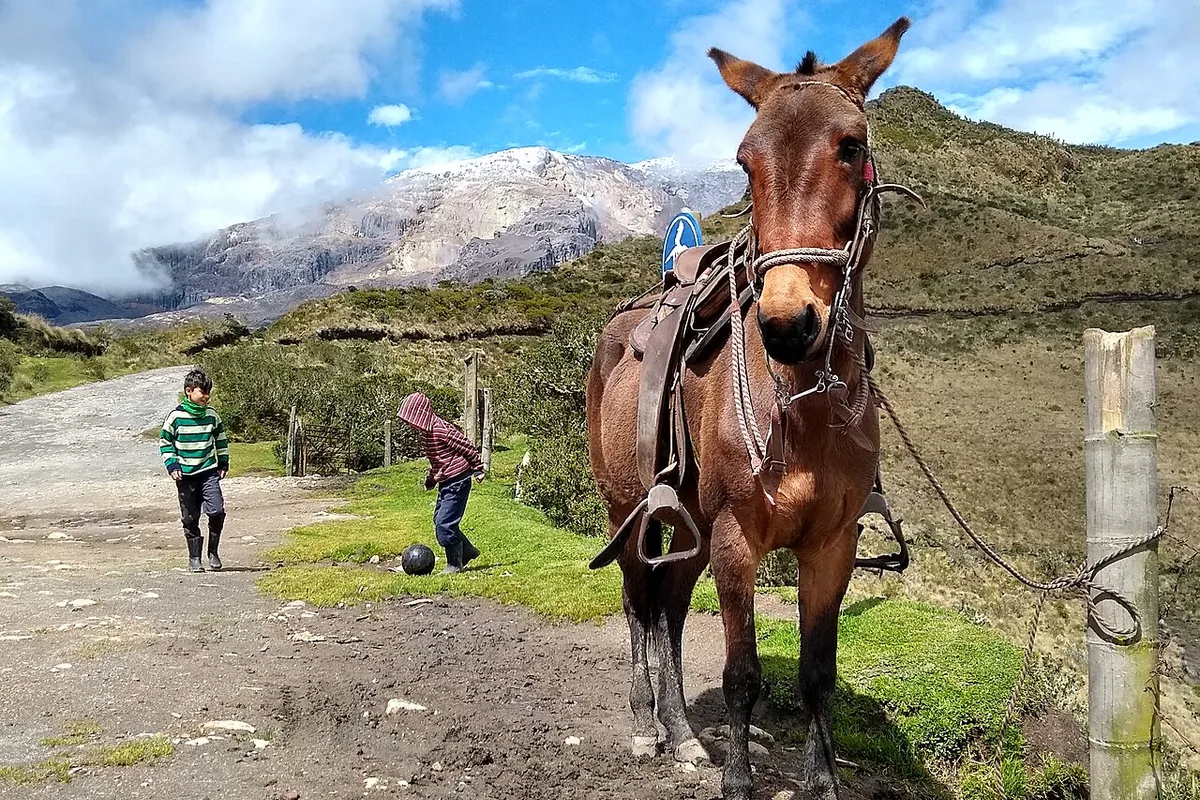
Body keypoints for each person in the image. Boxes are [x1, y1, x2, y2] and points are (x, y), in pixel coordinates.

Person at [396, 392, 483, 574]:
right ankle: (467, 551)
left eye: (412, 420)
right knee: (439, 520)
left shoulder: (441, 429)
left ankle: (454, 564)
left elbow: (466, 446)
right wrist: (431, 480)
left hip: (458, 480)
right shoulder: (426, 434)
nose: (411, 425)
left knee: (445, 523)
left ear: (421, 415)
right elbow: (437, 461)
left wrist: (477, 468)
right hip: (446, 481)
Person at [159, 369, 229, 573]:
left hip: (209, 473)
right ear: (189, 391)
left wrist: (223, 463)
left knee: (216, 511)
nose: (206, 396)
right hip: (185, 476)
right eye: (202, 391)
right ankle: (194, 558)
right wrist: (172, 466)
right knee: (190, 518)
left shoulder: (212, 415)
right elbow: (165, 442)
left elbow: (221, 440)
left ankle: (213, 552)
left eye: (209, 392)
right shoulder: (176, 416)